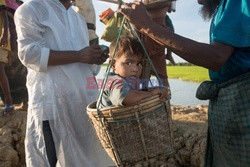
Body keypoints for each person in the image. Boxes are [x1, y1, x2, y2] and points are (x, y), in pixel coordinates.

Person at [119, 0, 250, 166]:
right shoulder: (224, 8)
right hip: (230, 104)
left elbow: (216, 57)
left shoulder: (238, 2)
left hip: (242, 104)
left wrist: (147, 26)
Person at [14, 0, 114, 166]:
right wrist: (78, 56)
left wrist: (94, 58)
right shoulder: (31, 9)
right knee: (49, 158)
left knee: (85, 158)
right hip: (51, 104)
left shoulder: (79, 19)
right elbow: (29, 54)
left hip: (81, 103)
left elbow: (88, 67)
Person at [99, 36, 168, 108]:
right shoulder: (113, 80)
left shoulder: (128, 80)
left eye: (138, 64)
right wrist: (150, 94)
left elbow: (138, 91)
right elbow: (124, 97)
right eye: (128, 63)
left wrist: (156, 90)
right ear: (113, 64)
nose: (135, 69)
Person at [0, 0, 14, 116]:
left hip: (1, 41)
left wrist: (4, 35)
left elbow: (4, 16)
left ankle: (9, 103)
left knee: (0, 70)